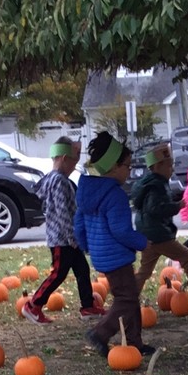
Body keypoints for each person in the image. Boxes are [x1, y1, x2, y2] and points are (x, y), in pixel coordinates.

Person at [74, 131, 153, 357]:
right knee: (126, 298)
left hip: (101, 255)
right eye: (127, 166)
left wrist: (87, 246)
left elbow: (78, 224)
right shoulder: (114, 194)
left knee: (129, 297)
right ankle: (100, 333)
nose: (129, 171)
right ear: (112, 168)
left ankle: (135, 341)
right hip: (117, 255)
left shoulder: (86, 191)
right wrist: (141, 242)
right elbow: (121, 230)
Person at [22, 138, 105, 324]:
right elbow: (62, 213)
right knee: (58, 274)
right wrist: (72, 237)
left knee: (82, 269)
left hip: (68, 238)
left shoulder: (51, 179)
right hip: (62, 239)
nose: (74, 167)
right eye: (74, 162)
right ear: (65, 158)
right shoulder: (59, 181)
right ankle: (33, 305)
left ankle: (87, 306)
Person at [132, 143, 188, 303]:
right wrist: (177, 206)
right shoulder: (157, 185)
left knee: (145, 271)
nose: (172, 169)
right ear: (158, 166)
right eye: (169, 165)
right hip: (159, 235)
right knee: (186, 255)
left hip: (148, 235)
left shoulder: (149, 183)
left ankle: (129, 298)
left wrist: (174, 200)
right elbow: (156, 208)